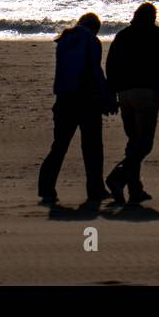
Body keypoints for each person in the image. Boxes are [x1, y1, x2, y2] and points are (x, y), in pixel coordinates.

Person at [38, 13, 115, 204]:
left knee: (59, 146)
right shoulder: (92, 41)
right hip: (87, 100)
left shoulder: (65, 39)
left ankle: (46, 188)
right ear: (95, 28)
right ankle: (95, 189)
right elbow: (96, 72)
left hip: (64, 99)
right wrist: (107, 97)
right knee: (92, 148)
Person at [104, 3, 159, 205]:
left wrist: (112, 93)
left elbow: (111, 64)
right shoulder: (158, 35)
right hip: (146, 91)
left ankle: (135, 189)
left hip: (124, 93)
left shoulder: (122, 35)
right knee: (144, 143)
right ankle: (118, 177)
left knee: (133, 141)